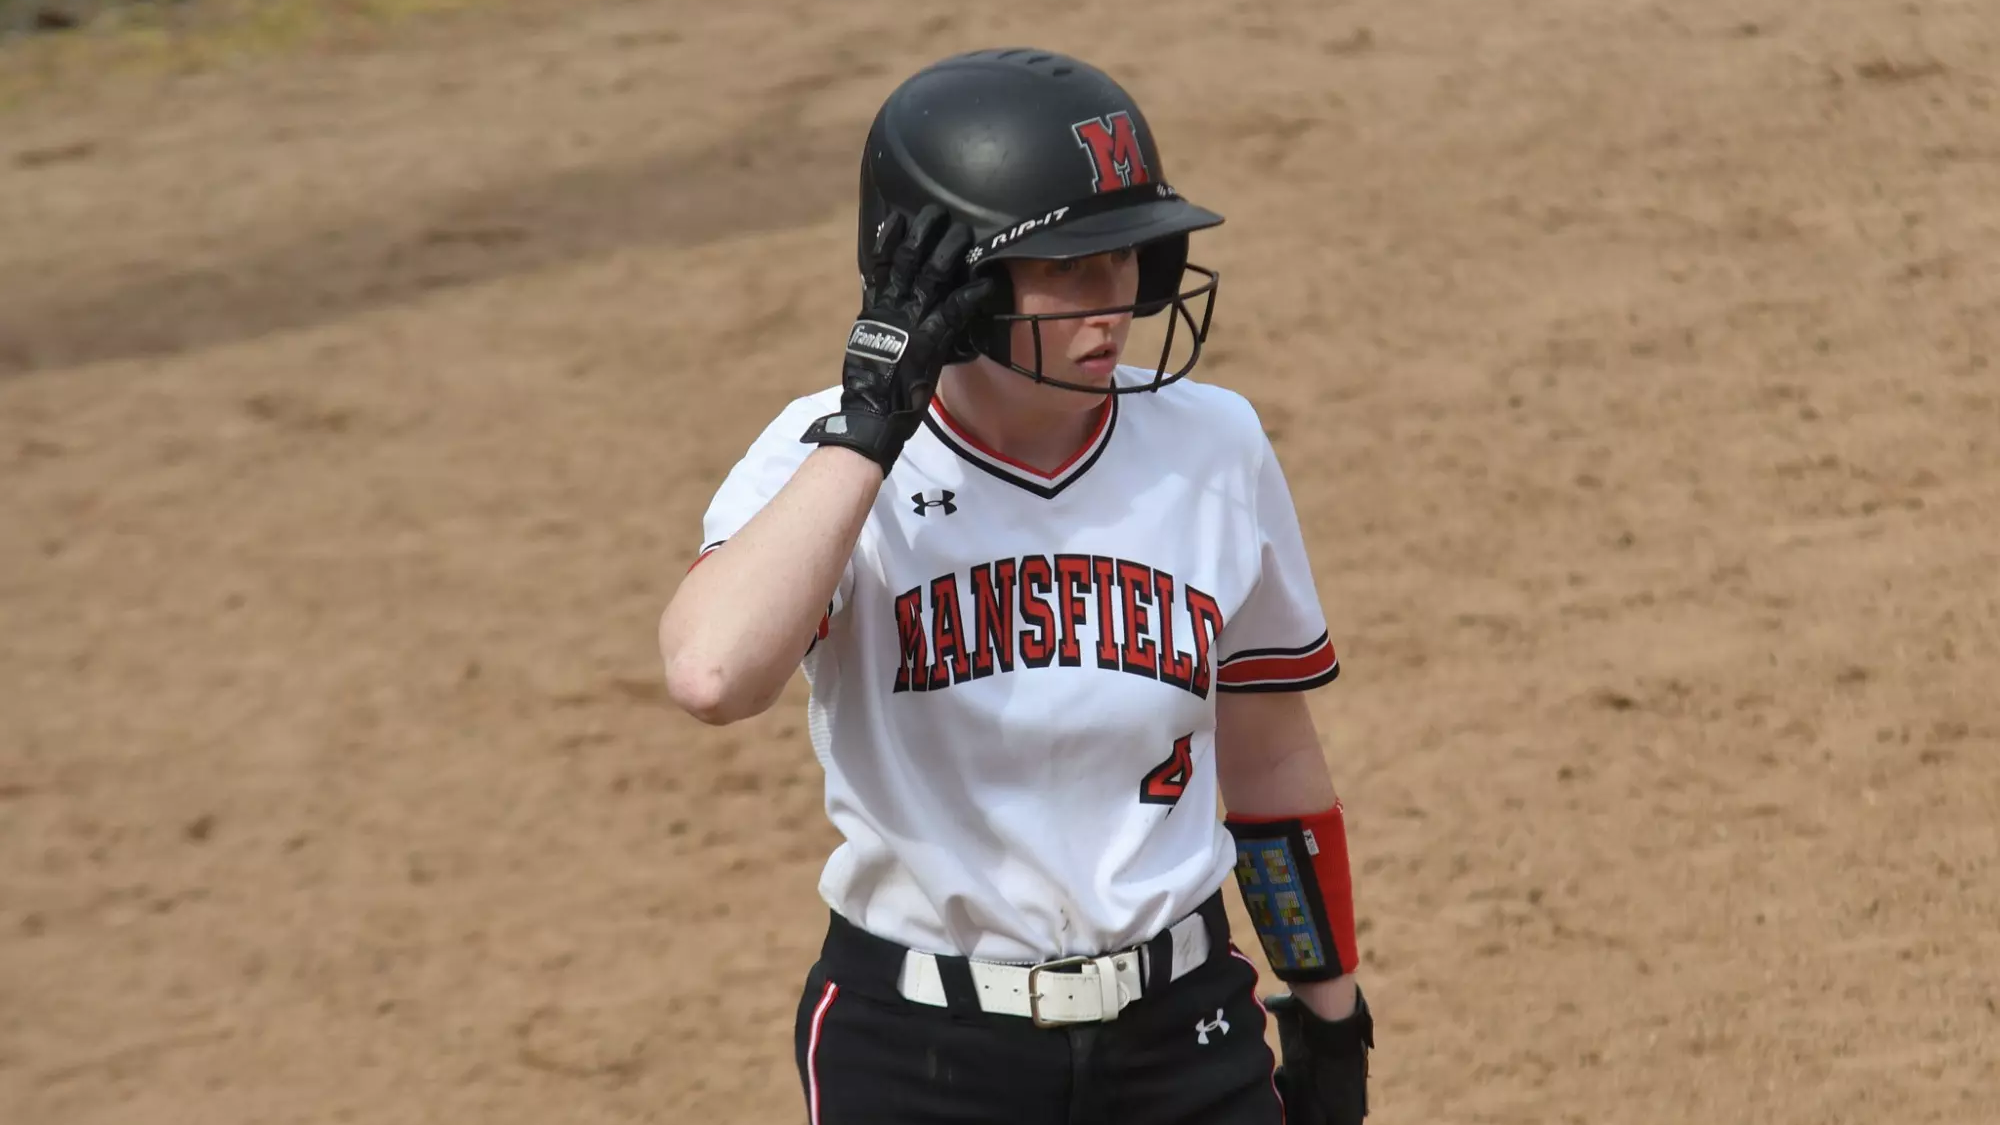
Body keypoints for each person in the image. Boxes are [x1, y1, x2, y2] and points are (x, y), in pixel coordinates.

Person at [657, 47, 1374, 1125]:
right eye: (1071, 270)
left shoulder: (1211, 443)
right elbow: (713, 674)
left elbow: (1270, 756)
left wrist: (1327, 1010)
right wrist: (868, 428)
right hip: (919, 1053)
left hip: (1185, 1034)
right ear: (954, 286)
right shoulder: (826, 463)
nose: (1116, 304)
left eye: (1130, 260)